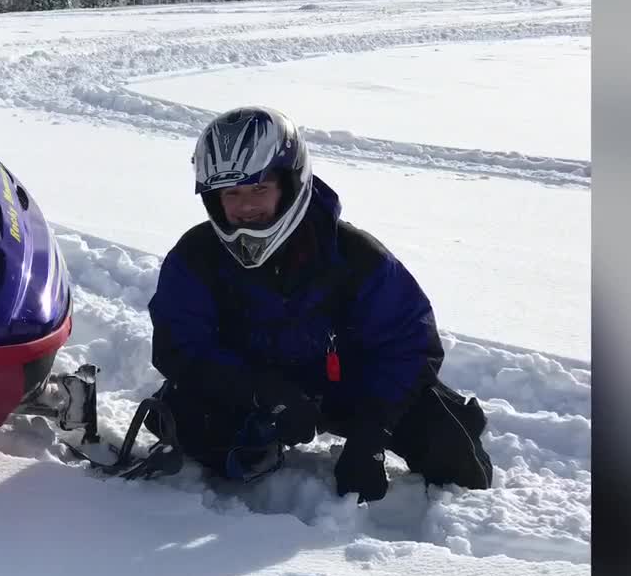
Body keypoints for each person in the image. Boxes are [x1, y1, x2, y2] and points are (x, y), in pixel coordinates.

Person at [144, 106, 493, 502]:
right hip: (256, 390)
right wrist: (262, 393)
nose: (246, 207)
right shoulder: (195, 256)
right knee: (187, 423)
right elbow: (180, 346)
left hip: (349, 388)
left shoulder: (355, 255)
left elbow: (410, 344)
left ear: (290, 184)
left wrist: (371, 436)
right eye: (232, 194)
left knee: (455, 457)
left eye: (260, 189)